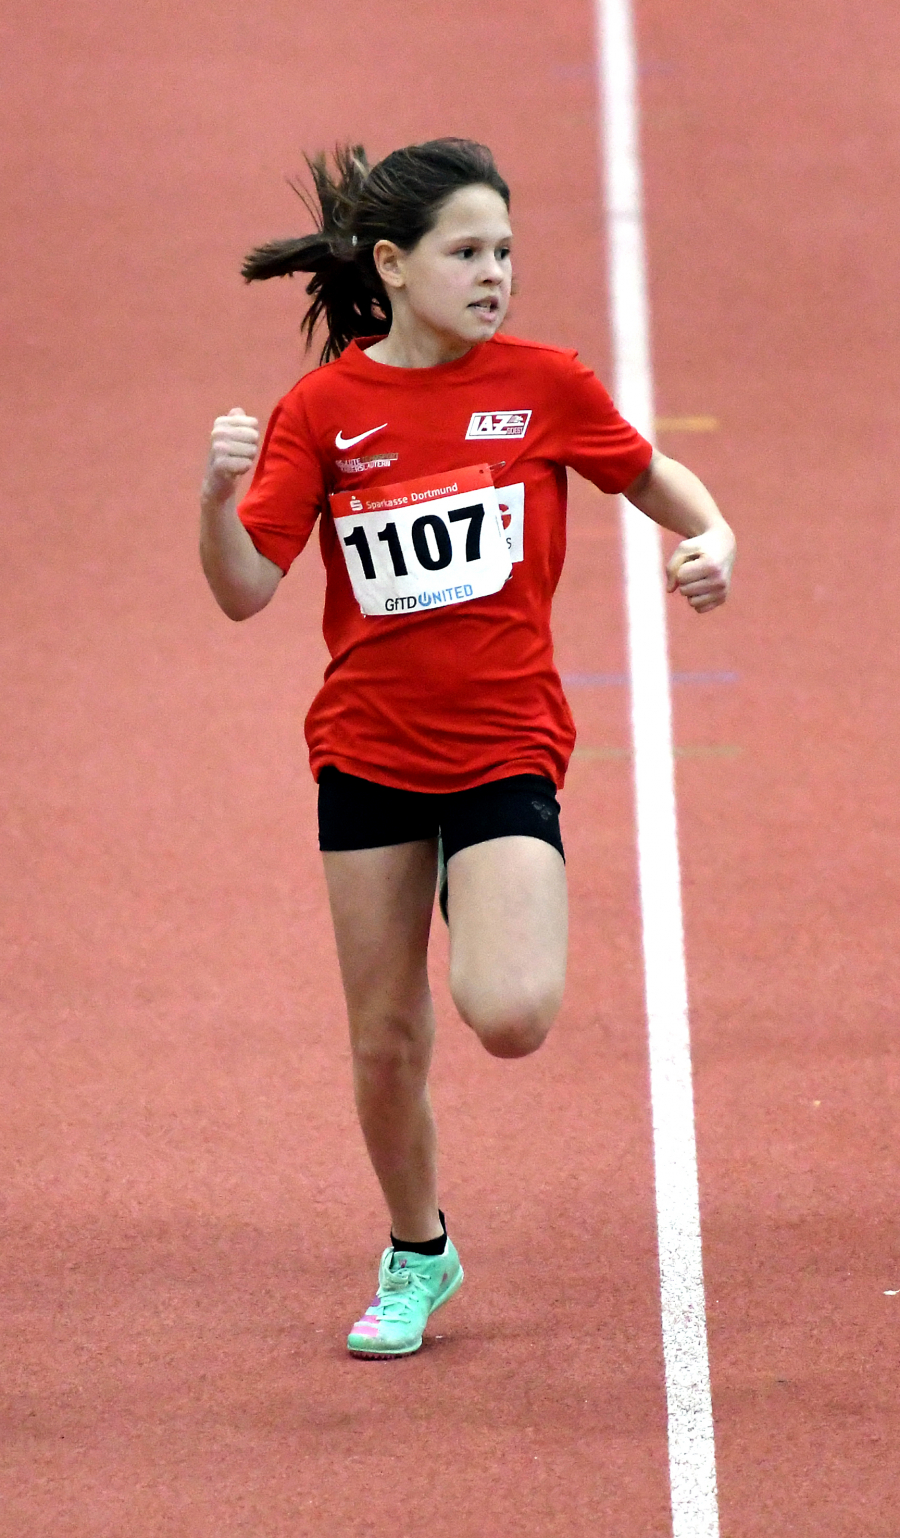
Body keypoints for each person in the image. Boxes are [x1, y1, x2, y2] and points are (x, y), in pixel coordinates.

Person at [199, 138, 735, 1359]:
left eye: (505, 251)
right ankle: (418, 1250)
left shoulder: (544, 384)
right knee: (385, 1035)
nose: (494, 273)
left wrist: (717, 536)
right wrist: (207, 503)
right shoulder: (325, 411)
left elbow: (651, 476)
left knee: (510, 1009)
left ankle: (481, 870)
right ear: (391, 266)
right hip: (370, 751)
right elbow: (244, 590)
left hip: (502, 744)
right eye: (467, 252)